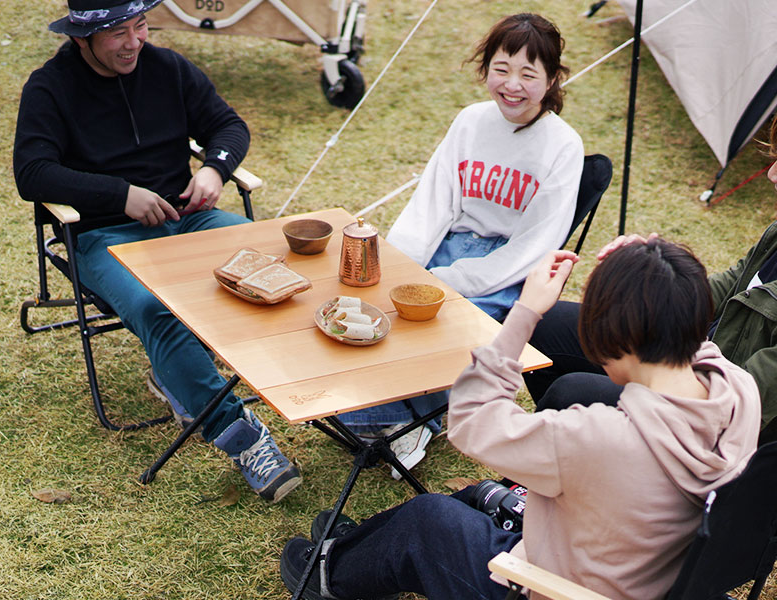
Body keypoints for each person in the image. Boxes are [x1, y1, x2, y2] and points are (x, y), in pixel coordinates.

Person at [280, 238, 760, 600]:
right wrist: (658, 271)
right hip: (639, 569)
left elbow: (471, 419)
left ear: (612, 336)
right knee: (473, 496)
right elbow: (702, 346)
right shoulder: (737, 392)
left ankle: (326, 573)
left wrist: (525, 312)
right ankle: (361, 544)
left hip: (555, 588)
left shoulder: (596, 438)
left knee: (428, 523)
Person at [13, 0, 301, 502]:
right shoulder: (49, 86)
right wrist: (119, 194)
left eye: (140, 25)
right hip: (103, 234)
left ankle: (214, 377)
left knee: (279, 262)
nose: (135, 41)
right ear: (83, 39)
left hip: (187, 216)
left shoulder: (168, 68)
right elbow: (32, 172)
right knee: (156, 307)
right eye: (118, 33)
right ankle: (242, 438)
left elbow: (229, 126)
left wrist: (214, 168)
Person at [337, 13, 585, 477]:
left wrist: (456, 279)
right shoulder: (470, 121)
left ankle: (411, 423)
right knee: (385, 304)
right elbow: (432, 202)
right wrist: (403, 264)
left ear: (551, 79)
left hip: (504, 266)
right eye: (501, 69)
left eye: (529, 74)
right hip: (450, 244)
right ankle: (383, 412)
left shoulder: (563, 145)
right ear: (485, 69)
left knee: (446, 317)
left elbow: (534, 244)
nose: (512, 85)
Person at [523, 113, 777, 445]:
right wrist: (653, 267)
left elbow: (743, 394)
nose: (771, 175)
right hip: (685, 364)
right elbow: (712, 294)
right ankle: (589, 462)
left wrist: (655, 366)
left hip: (714, 423)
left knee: (572, 393)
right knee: (548, 324)